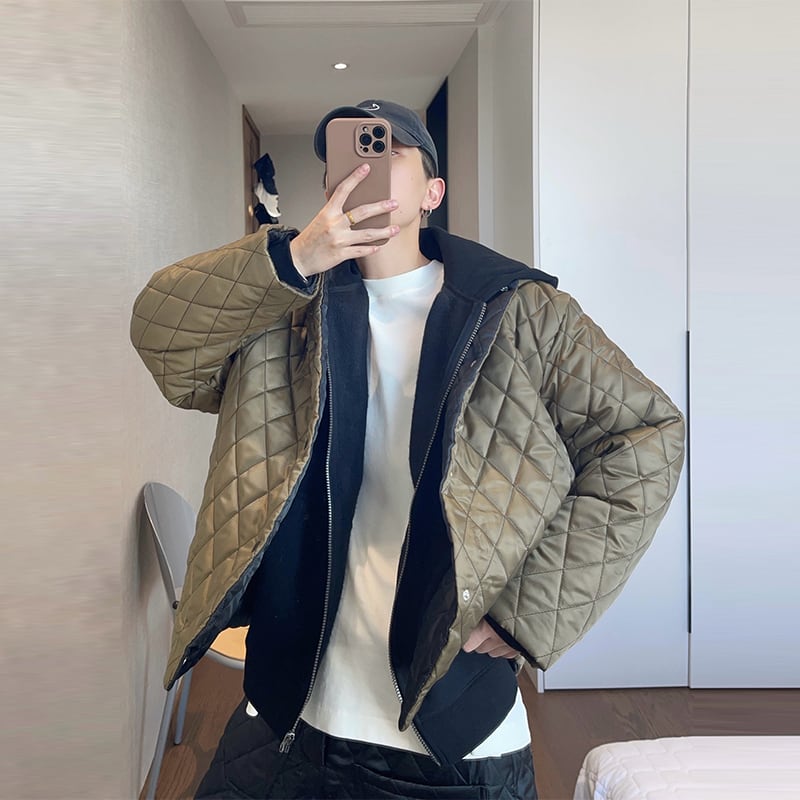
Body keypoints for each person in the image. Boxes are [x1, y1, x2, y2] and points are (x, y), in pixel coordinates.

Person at [131, 99, 685, 799]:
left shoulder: (520, 311)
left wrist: (531, 610)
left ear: (432, 192)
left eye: (392, 153)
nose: (369, 168)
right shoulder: (284, 309)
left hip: (450, 729)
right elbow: (163, 338)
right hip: (285, 708)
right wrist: (296, 257)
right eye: (352, 154)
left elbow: (647, 436)